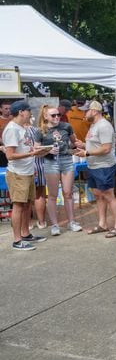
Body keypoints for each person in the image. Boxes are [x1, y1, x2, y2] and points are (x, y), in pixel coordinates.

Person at [3, 100, 50, 251]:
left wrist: (40, 150)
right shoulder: (12, 129)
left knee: (26, 205)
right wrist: (33, 153)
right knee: (18, 206)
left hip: (28, 172)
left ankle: (25, 234)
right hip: (18, 174)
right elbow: (10, 155)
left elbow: (26, 147)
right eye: (29, 110)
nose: (30, 113)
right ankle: (17, 240)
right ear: (22, 112)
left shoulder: (21, 127)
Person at [74, 100, 116, 237]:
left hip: (103, 166)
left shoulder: (104, 126)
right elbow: (96, 145)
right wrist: (83, 145)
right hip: (93, 165)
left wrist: (87, 152)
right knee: (98, 194)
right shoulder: (94, 125)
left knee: (108, 195)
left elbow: (106, 148)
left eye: (86, 110)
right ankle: (102, 224)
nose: (84, 113)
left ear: (94, 111)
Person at [36, 105, 82, 236]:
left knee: (68, 193)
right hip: (51, 162)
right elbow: (36, 151)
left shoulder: (66, 126)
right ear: (45, 116)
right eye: (53, 115)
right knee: (52, 195)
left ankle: (71, 222)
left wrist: (77, 145)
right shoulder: (41, 131)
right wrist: (48, 150)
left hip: (67, 160)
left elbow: (74, 142)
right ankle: (55, 225)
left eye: (58, 115)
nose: (57, 117)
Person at [25, 113, 47, 231]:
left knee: (26, 197)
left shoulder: (16, 130)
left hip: (25, 166)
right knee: (40, 194)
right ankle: (42, 222)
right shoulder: (37, 131)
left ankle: (27, 223)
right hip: (39, 164)